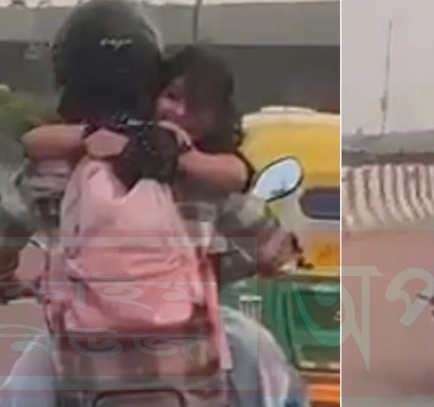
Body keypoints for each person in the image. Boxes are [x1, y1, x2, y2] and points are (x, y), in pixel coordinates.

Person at [0, 4, 304, 407]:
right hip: (190, 370)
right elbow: (273, 252)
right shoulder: (195, 168)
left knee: (18, 392)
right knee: (275, 376)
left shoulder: (49, 168)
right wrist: (218, 267)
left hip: (80, 364)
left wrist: (11, 280)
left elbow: (6, 230)